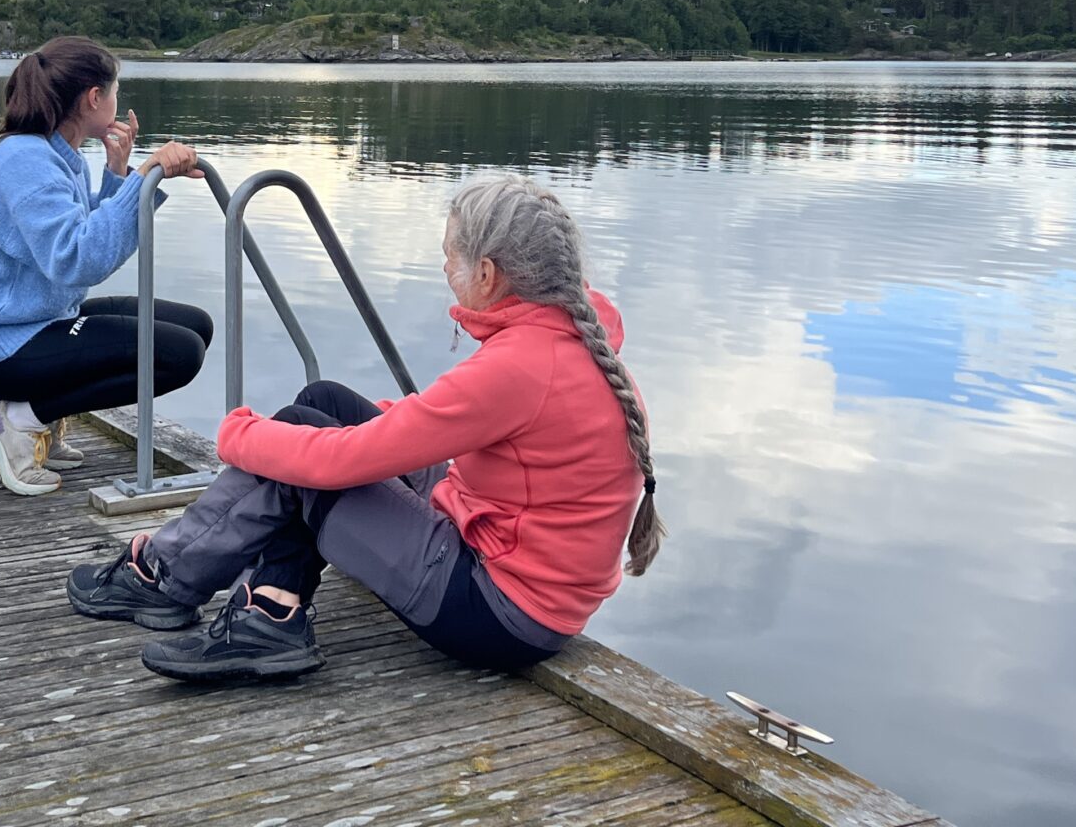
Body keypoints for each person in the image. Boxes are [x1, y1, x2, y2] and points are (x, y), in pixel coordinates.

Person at [64, 174, 665, 681]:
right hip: (524, 571)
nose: (443, 264)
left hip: (497, 611)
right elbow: (474, 435)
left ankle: (167, 577)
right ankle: (270, 607)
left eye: (450, 254)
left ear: (487, 274)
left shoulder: (520, 367)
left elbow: (341, 462)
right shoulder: (575, 341)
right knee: (325, 400)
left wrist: (236, 434)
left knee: (300, 442)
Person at [0, 36, 209, 495]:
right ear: (94, 98)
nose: (119, 101)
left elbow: (79, 233)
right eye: (116, 90)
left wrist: (119, 175)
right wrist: (143, 177)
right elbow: (76, 259)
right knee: (178, 354)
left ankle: (44, 417)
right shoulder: (27, 161)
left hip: (34, 319)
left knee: (194, 326)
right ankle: (18, 420)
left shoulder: (52, 154)